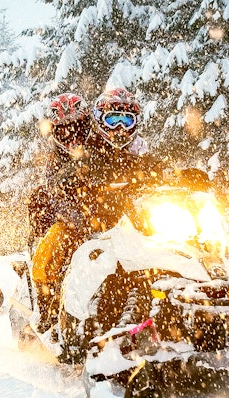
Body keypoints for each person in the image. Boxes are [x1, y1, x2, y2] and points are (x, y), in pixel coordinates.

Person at [30, 87, 164, 331]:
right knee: (56, 242)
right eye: (113, 119)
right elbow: (65, 178)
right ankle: (47, 302)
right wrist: (76, 187)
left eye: (126, 120)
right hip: (82, 213)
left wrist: (179, 176)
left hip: (126, 215)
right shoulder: (88, 150)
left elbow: (152, 166)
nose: (120, 127)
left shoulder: (137, 148)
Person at [27, 92, 92, 241]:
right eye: (65, 130)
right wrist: (75, 219)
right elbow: (53, 192)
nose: (73, 135)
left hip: (106, 215)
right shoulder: (55, 159)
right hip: (73, 226)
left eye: (78, 127)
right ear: (55, 133)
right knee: (38, 199)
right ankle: (40, 250)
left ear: (87, 124)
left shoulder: (101, 146)